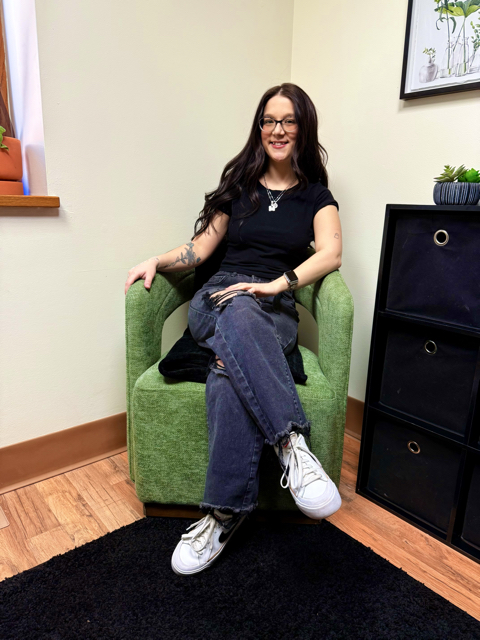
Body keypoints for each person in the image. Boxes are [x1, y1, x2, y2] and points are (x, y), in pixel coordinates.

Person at [125, 83, 343, 576]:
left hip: (274, 306)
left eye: (288, 120)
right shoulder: (239, 186)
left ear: (303, 127)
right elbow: (199, 250)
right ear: (259, 127)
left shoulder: (316, 196)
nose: (277, 130)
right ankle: (292, 445)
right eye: (269, 120)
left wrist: (276, 285)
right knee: (237, 308)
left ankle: (222, 515)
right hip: (217, 297)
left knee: (228, 370)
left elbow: (331, 254)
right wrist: (156, 260)